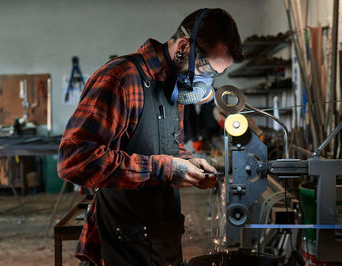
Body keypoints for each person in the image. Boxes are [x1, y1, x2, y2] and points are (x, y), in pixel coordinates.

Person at [57, 8, 243, 266]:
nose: (206, 80)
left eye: (215, 75)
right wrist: (164, 170)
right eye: (207, 69)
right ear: (183, 47)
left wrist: (188, 163)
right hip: (120, 241)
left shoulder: (173, 87)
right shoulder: (120, 78)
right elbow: (75, 161)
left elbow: (162, 147)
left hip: (160, 239)